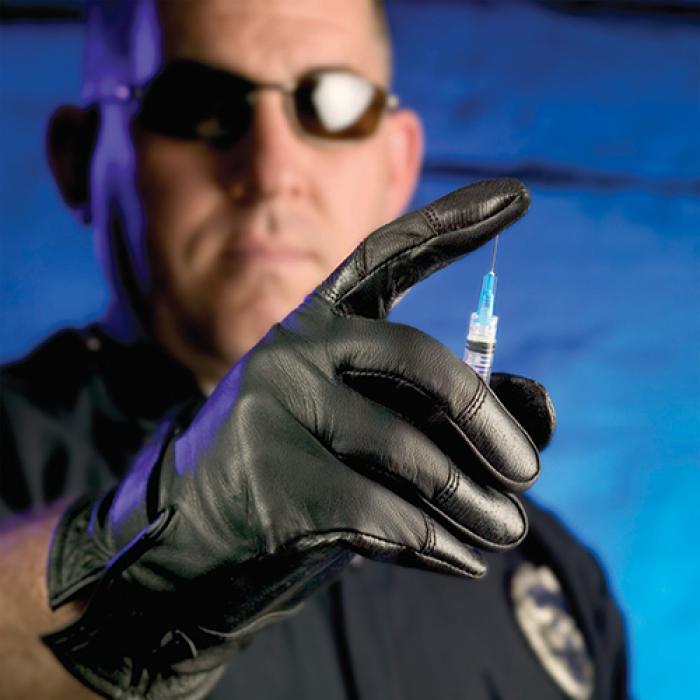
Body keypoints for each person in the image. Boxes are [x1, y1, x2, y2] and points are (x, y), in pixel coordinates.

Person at [0, 1, 629, 698]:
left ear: (399, 163)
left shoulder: (548, 575)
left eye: (335, 104)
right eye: (200, 102)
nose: (273, 167)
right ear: (79, 157)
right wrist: (132, 590)